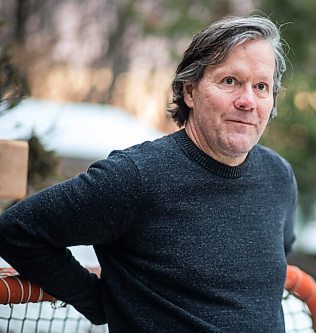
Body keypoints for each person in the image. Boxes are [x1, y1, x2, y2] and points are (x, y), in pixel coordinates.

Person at [0, 15, 297, 332]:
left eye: (261, 86)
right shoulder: (135, 177)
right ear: (190, 91)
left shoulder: (278, 176)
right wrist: (97, 300)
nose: (247, 101)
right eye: (229, 81)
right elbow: (17, 231)